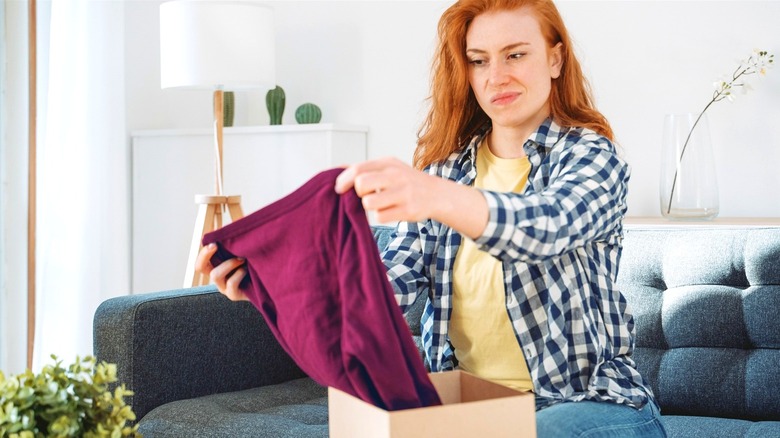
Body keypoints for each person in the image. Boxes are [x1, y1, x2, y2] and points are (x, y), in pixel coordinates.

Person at [196, 0, 667, 436]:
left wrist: (435, 196)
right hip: (475, 406)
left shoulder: (592, 156)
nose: (495, 76)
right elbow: (386, 285)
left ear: (556, 60)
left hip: (596, 404)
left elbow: (547, 225)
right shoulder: (446, 171)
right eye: (479, 60)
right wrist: (270, 283)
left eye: (515, 55)